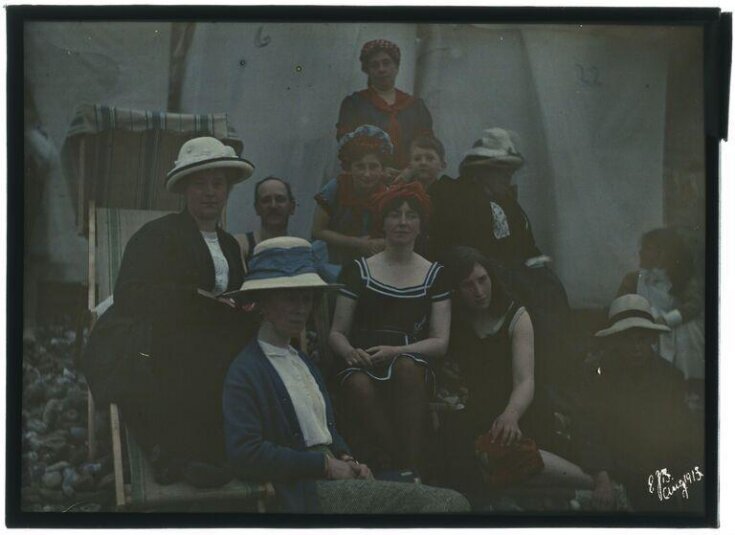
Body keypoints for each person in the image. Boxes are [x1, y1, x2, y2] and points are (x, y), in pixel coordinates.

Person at [222, 237, 470, 513]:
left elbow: (326, 431)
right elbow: (245, 454)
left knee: (444, 501)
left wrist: (347, 457)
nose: (301, 309)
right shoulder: (246, 371)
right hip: (306, 491)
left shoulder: (303, 362)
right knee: (448, 505)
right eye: (290, 298)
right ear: (263, 304)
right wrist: (325, 465)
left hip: (336, 477)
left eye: (307, 299)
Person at [81, 137, 259, 486]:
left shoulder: (228, 244)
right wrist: (195, 297)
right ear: (184, 190)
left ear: (227, 189)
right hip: (156, 335)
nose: (210, 192)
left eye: (218, 184)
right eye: (200, 184)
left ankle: (237, 452)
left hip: (214, 337)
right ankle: (180, 456)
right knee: (192, 355)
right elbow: (131, 294)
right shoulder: (158, 235)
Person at [440, 246, 593, 504]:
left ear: (492, 278)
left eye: (482, 280)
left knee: (508, 455)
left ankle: (590, 484)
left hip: (520, 408)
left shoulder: (516, 315)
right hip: (479, 411)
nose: (478, 292)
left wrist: (510, 415)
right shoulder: (456, 321)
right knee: (469, 465)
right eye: (468, 285)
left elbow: (525, 380)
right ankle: (569, 497)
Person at [430, 127, 572, 393]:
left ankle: (549, 380)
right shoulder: (456, 197)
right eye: (501, 171)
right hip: (477, 278)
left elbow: (527, 246)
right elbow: (455, 249)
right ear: (481, 170)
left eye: (510, 171)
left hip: (515, 275)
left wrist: (539, 269)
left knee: (549, 295)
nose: (508, 178)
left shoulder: (510, 205)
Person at [328, 182, 450, 475]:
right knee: (358, 384)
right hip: (364, 360)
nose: (403, 222)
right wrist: (350, 352)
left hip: (413, 359)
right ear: (382, 223)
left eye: (411, 216)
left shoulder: (435, 274)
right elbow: (337, 332)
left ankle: (408, 465)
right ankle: (403, 467)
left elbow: (440, 341)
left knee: (406, 367)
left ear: (421, 226)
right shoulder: (358, 270)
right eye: (395, 215)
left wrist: (398, 350)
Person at [576, 294, 702, 512]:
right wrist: (602, 477)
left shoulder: (670, 377)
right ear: (615, 340)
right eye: (628, 339)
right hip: (617, 467)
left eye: (642, 338)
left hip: (660, 470)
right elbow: (588, 429)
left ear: (652, 339)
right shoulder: (598, 375)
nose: (636, 347)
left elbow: (683, 435)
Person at [617, 227, 704, 406]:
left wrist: (667, 320)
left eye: (647, 248)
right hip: (643, 326)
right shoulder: (633, 279)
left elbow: (694, 304)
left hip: (672, 327)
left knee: (688, 329)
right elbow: (620, 304)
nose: (641, 252)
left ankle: (687, 386)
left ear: (663, 253)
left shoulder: (682, 279)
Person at [336, 39, 434, 171]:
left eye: (386, 63)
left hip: (410, 177)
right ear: (368, 71)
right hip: (368, 177)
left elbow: (427, 144)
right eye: (374, 65)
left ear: (396, 67)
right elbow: (347, 146)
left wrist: (408, 172)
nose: (381, 69)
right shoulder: (354, 104)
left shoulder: (415, 106)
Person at [312, 125, 390, 267]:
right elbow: (318, 230)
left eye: (373, 167)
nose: (367, 174)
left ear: (382, 168)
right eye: (360, 166)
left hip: (371, 260)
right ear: (349, 167)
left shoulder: (388, 194)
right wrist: (357, 243)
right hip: (333, 257)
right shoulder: (336, 187)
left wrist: (383, 242)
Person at [392, 134, 450, 258]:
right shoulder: (405, 191)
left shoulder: (448, 192)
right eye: (417, 159)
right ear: (410, 165)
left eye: (430, 158)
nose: (423, 163)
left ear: (442, 165)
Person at [235, 175, 296, 266]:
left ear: (292, 207)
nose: (273, 206)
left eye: (280, 199)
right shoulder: (240, 245)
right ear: (257, 208)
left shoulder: (300, 250)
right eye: (266, 200)